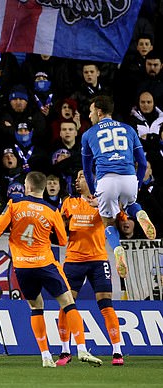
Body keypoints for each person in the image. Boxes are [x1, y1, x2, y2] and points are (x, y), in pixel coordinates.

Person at [0, 171, 103, 368]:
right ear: (43, 188)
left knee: (36, 307)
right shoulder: (52, 210)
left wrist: (14, 227)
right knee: (68, 303)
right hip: (45, 263)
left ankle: (45, 356)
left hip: (22, 267)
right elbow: (61, 240)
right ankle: (82, 349)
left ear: (27, 187)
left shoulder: (14, 205)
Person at [81, 95, 156, 278]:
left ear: (99, 112)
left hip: (106, 181)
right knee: (130, 203)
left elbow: (86, 168)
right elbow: (143, 164)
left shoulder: (88, 134)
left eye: (91, 112)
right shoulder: (129, 129)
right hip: (129, 177)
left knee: (108, 221)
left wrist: (93, 192)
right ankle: (139, 213)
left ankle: (117, 250)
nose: (90, 116)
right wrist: (137, 184)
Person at [57, 171, 124, 366]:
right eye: (76, 178)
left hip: (98, 260)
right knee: (67, 305)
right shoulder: (69, 202)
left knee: (106, 304)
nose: (77, 180)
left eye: (81, 177)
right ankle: (64, 350)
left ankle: (117, 351)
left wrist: (108, 207)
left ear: (92, 179)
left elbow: (117, 219)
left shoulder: (104, 201)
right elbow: (59, 227)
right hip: (74, 260)